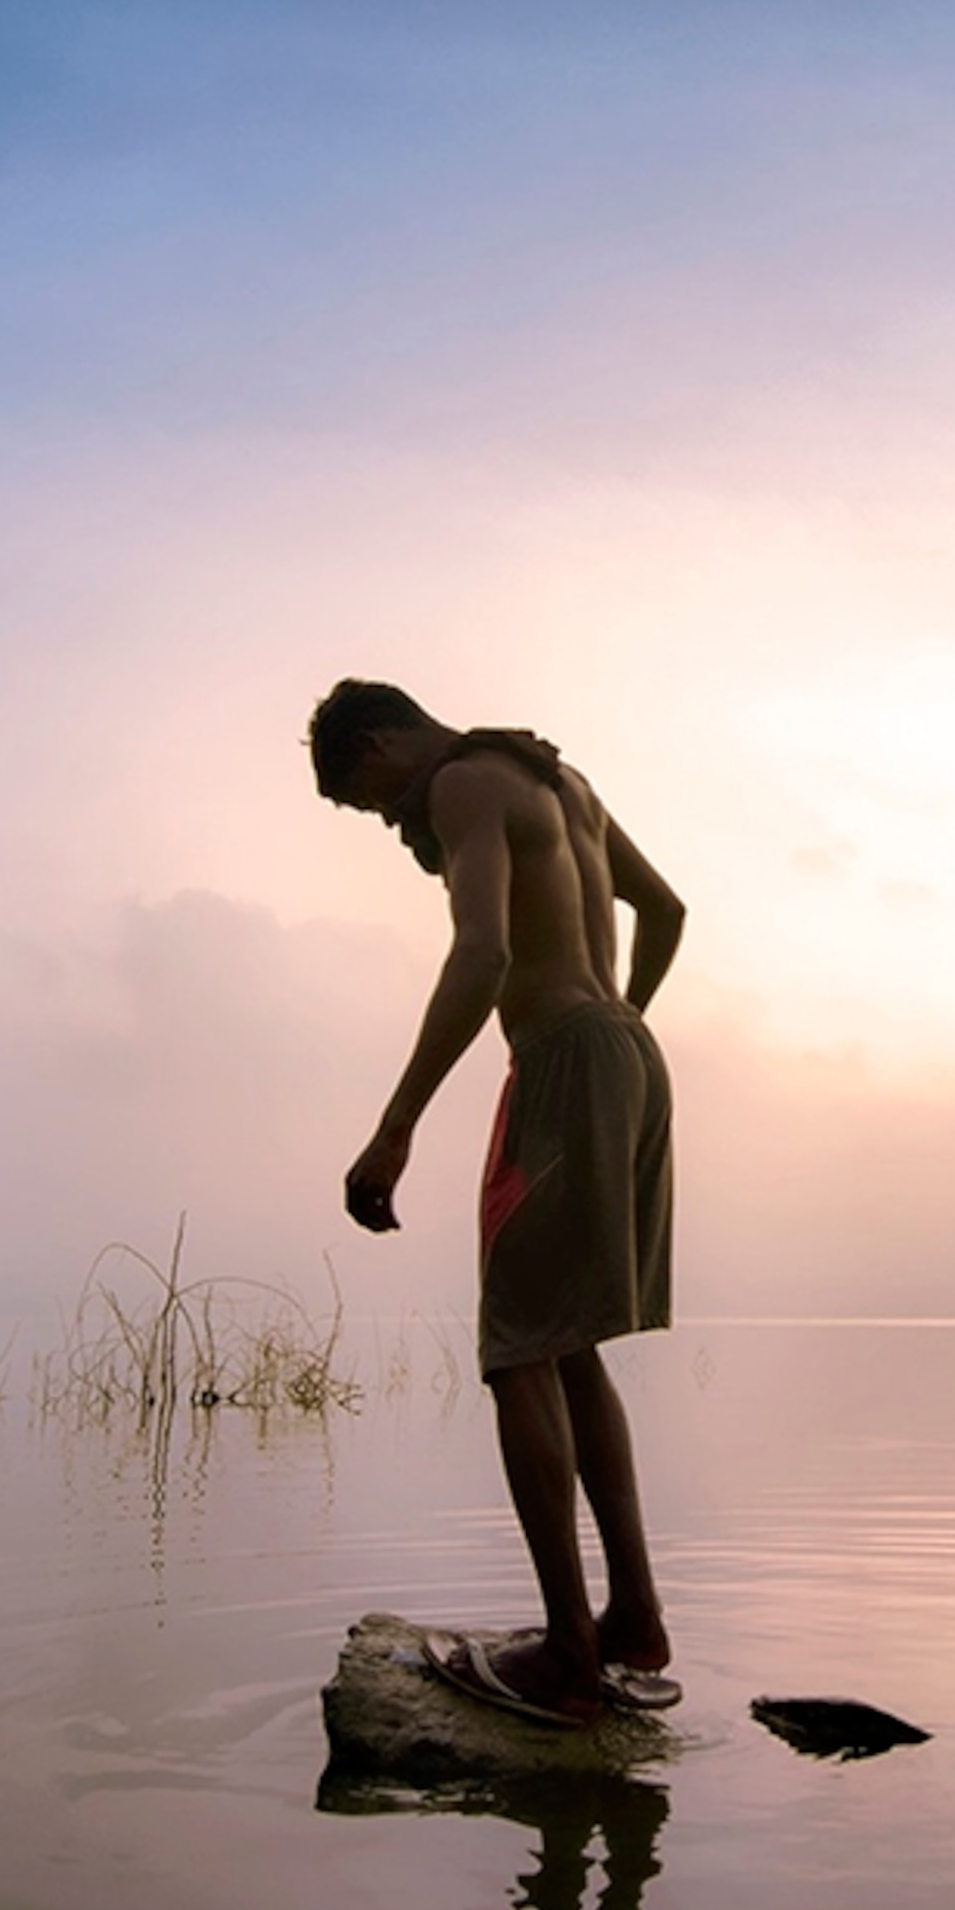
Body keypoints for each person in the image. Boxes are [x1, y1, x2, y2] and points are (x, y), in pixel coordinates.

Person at [308, 679, 686, 1727]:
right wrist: (619, 1030)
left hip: (568, 1064)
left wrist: (397, 1126)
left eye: (369, 800)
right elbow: (664, 910)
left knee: (516, 1350)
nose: (390, 828)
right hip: (627, 1057)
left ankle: (569, 1652)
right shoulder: (559, 779)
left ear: (380, 744)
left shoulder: (464, 785)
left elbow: (483, 953)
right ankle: (631, 1621)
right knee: (566, 1344)